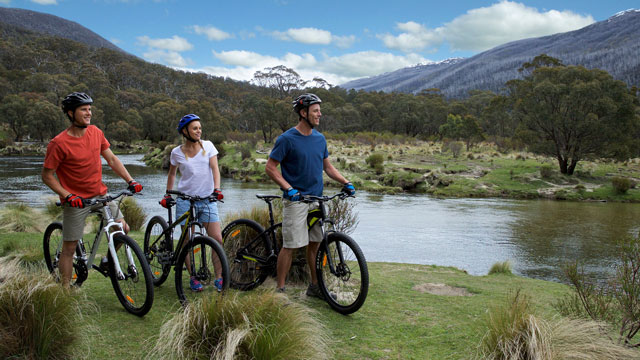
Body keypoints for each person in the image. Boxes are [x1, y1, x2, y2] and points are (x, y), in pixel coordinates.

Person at [42, 92, 143, 289]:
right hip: (76, 200)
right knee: (69, 248)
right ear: (71, 113)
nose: (89, 113)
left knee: (123, 229)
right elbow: (47, 176)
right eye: (83, 109)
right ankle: (65, 293)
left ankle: (107, 261)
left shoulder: (96, 132)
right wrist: (67, 195)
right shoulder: (58, 143)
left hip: (100, 195)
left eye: (90, 109)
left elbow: (112, 159)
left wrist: (131, 180)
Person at [266, 93, 356, 297]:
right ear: (303, 112)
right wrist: (289, 188)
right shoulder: (287, 139)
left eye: (319, 111)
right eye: (316, 111)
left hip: (316, 200)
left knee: (315, 244)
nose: (319, 114)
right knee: (290, 246)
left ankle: (315, 287)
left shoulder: (319, 138)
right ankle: (280, 290)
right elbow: (270, 168)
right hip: (296, 201)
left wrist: (346, 182)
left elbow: (328, 167)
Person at [160, 114, 224, 292]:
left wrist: (217, 189)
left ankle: (219, 277)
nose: (199, 131)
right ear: (185, 131)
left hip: (207, 200)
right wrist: (168, 195)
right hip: (185, 200)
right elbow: (172, 174)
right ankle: (193, 277)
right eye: (195, 128)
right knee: (186, 241)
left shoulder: (208, 146)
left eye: (200, 128)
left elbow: (215, 169)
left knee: (217, 239)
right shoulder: (176, 152)